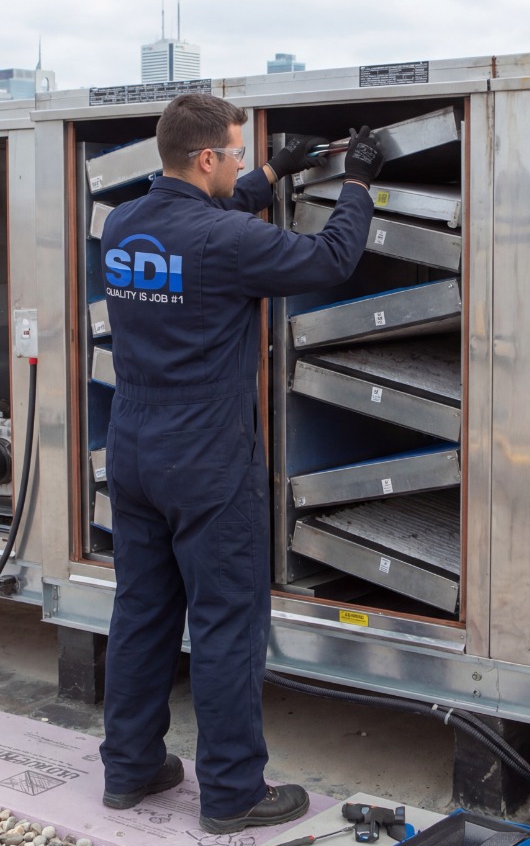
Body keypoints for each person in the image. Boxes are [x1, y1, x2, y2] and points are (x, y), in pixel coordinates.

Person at [98, 93, 383, 833]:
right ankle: (231, 795)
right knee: (225, 623)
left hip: (132, 448)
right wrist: (357, 182)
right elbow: (331, 258)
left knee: (141, 612)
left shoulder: (123, 225)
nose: (235, 162)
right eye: (231, 152)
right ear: (204, 158)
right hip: (206, 456)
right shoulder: (224, 244)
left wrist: (268, 172)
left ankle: (129, 771)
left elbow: (202, 225)